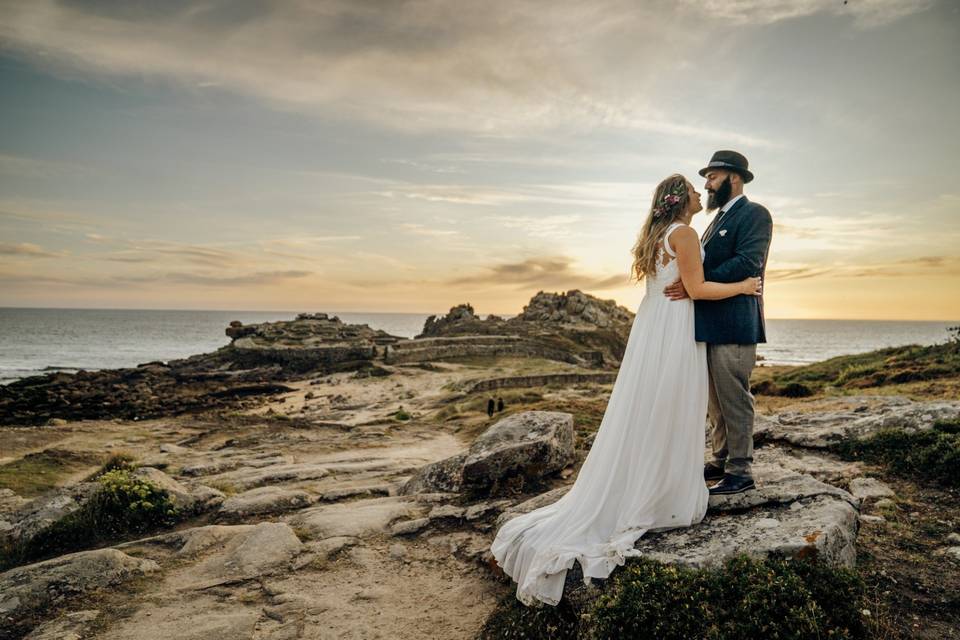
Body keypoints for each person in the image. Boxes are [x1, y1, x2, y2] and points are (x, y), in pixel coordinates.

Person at [489, 173, 761, 607]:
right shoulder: (687, 232)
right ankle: (663, 489)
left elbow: (680, 284)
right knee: (671, 405)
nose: (700, 192)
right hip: (674, 330)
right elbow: (698, 289)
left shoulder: (658, 234)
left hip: (653, 327)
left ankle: (646, 477)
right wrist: (745, 286)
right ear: (680, 200)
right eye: (693, 190)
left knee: (650, 406)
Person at [663, 150, 773, 495]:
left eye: (713, 177)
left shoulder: (754, 214)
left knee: (734, 396)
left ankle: (741, 471)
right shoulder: (713, 222)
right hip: (710, 320)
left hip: (736, 322)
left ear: (734, 178)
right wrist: (696, 283)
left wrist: (694, 280)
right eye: (707, 179)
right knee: (715, 400)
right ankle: (721, 457)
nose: (707, 184)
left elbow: (747, 262)